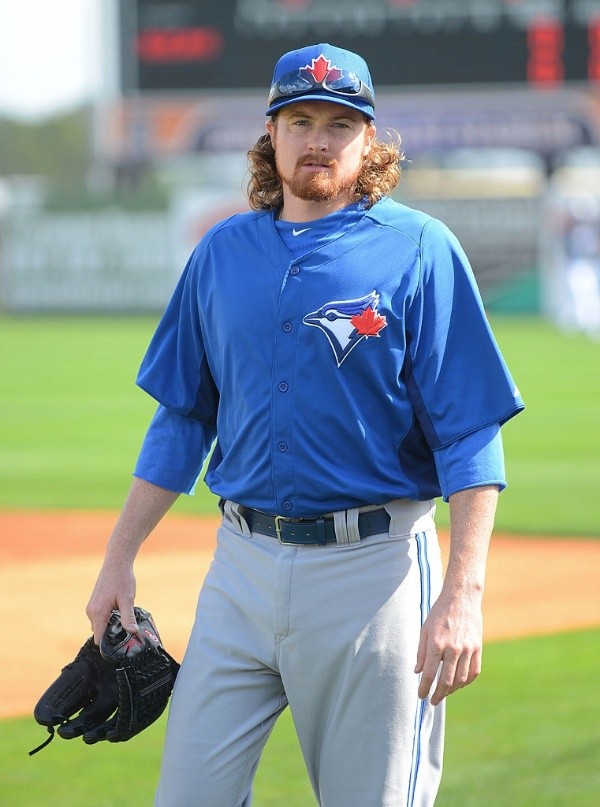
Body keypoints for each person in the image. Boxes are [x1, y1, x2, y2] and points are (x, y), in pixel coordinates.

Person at [86, 43, 524, 807]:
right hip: (240, 568)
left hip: (374, 575)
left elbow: (470, 434)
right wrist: (117, 559)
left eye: (338, 124)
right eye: (300, 121)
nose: (318, 139)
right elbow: (182, 419)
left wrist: (463, 594)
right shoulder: (221, 253)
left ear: (369, 139)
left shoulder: (420, 250)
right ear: (272, 133)